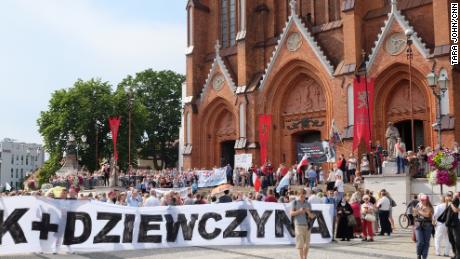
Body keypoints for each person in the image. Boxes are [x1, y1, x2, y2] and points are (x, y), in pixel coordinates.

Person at [290, 188, 316, 259]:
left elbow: (312, 216)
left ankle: (305, 257)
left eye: (304, 196)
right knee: (300, 244)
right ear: (298, 195)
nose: (302, 198)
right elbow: (291, 213)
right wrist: (299, 211)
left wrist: (308, 212)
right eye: (301, 196)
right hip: (298, 224)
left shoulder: (308, 203)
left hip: (307, 226)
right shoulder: (294, 202)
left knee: (307, 245)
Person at [413, 194, 434, 259]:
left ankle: (424, 256)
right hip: (418, 225)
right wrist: (415, 212)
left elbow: (427, 215)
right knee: (420, 241)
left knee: (426, 242)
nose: (422, 201)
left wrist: (418, 211)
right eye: (421, 200)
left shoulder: (430, 207)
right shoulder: (418, 205)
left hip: (427, 225)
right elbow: (414, 214)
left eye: (423, 200)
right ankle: (418, 254)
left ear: (427, 200)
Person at [447, 192, 460, 259]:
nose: (453, 197)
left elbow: (455, 210)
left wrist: (451, 204)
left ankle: (458, 255)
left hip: (457, 224)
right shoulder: (453, 202)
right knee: (451, 239)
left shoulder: (455, 203)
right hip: (451, 223)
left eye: (455, 196)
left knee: (457, 240)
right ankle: (455, 254)